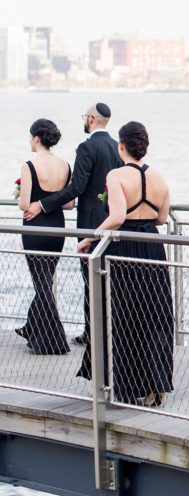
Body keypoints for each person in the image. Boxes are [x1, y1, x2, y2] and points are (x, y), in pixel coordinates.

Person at [76, 121, 174, 407]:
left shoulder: (117, 175)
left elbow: (117, 216)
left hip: (124, 246)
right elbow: (161, 218)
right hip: (152, 247)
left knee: (124, 314)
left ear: (121, 146)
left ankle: (127, 386)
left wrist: (89, 238)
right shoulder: (159, 177)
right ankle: (156, 383)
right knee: (155, 314)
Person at [24, 102, 123, 345]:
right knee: (111, 278)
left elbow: (76, 189)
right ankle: (107, 331)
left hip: (89, 224)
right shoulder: (117, 148)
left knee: (90, 279)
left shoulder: (87, 148)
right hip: (114, 222)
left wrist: (42, 204)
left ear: (90, 119)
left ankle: (92, 334)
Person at [16, 119, 74, 355]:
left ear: (37, 138)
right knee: (45, 282)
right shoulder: (65, 166)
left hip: (35, 228)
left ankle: (53, 340)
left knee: (42, 284)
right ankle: (33, 328)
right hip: (57, 227)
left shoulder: (29, 165)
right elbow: (69, 204)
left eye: (31, 137)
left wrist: (27, 199)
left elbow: (24, 204)